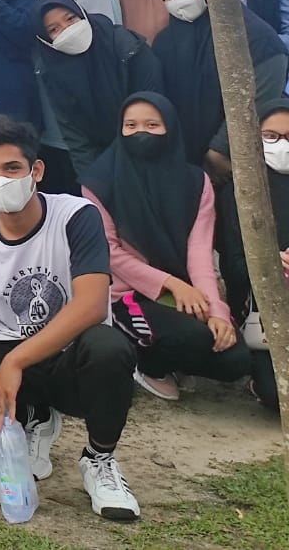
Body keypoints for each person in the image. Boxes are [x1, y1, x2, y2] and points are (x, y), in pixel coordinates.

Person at [0, 116, 141, 523]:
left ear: (35, 171)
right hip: (7, 341)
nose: (1, 180)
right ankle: (30, 418)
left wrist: (15, 362)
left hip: (70, 347)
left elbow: (93, 304)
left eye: (12, 168)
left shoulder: (76, 216)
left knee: (109, 348)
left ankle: (99, 459)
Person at [81, 94, 249, 401]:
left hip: (182, 292)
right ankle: (147, 364)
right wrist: (170, 283)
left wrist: (218, 312)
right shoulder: (98, 182)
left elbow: (199, 254)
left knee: (236, 357)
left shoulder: (196, 182)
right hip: (125, 295)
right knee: (195, 336)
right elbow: (110, 253)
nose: (140, 132)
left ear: (170, 128)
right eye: (130, 125)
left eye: (152, 124)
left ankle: (176, 356)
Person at [154, 0, 289, 315]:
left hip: (239, 162)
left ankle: (256, 313)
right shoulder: (167, 42)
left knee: (245, 243)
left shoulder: (250, 34)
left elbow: (262, 94)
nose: (180, 0)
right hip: (187, 164)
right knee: (201, 245)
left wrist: (220, 148)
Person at [32, 0, 162, 179]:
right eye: (54, 29)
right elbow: (75, 137)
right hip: (104, 164)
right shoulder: (51, 72)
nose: (67, 30)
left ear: (82, 14)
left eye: (71, 19)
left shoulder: (126, 45)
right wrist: (95, 184)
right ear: (45, 40)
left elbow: (154, 104)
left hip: (151, 147)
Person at [247, 99, 289, 409]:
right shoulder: (242, 190)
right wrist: (271, 263)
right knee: (277, 395)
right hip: (263, 309)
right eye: (270, 136)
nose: (281, 145)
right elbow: (233, 262)